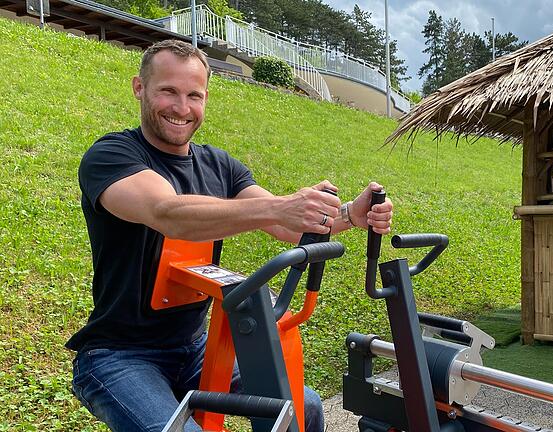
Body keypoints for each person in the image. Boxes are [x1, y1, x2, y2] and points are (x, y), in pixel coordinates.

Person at [66, 39, 394, 432]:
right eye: (168, 91)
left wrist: (349, 216)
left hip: (196, 348)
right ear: (140, 87)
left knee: (302, 407)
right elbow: (168, 213)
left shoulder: (220, 166)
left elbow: (286, 226)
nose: (182, 108)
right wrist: (278, 206)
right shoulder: (112, 156)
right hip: (119, 355)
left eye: (194, 95)